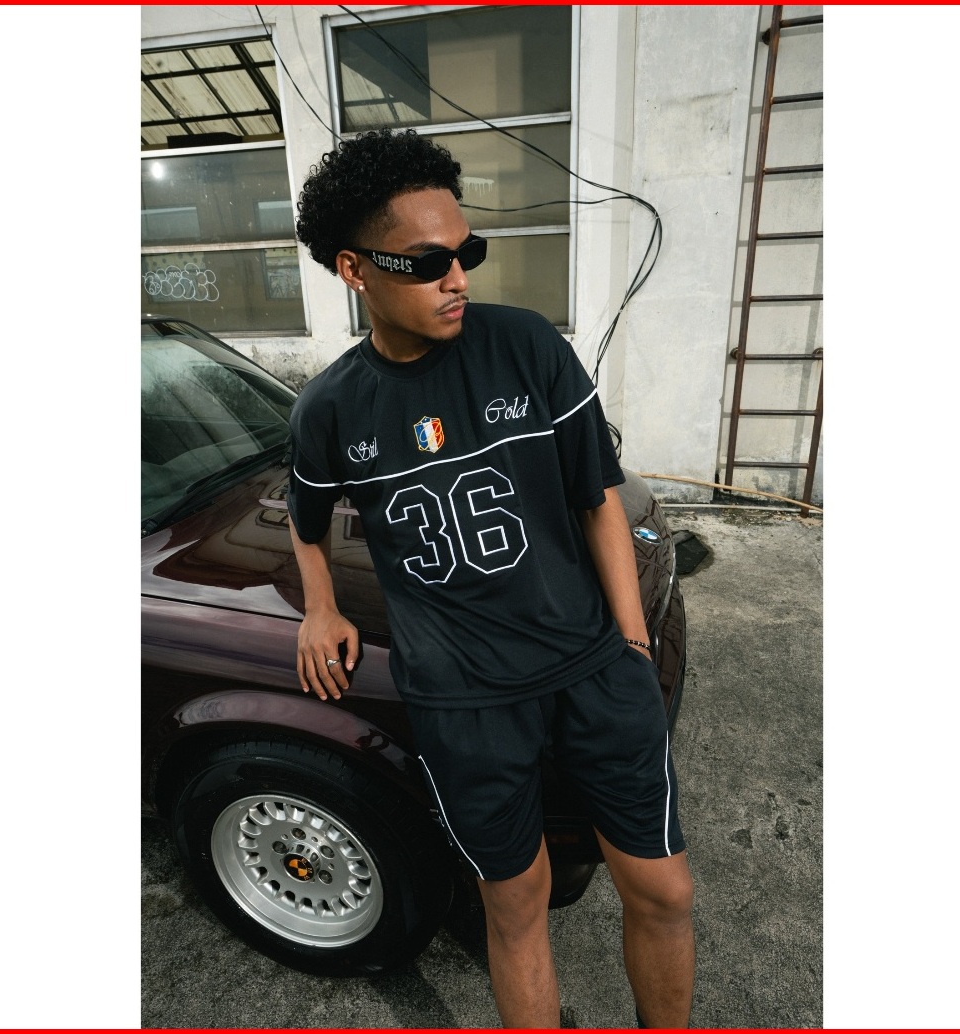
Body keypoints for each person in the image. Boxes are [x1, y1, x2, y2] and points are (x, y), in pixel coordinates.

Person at [287, 128, 694, 1029]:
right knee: (516, 906)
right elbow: (305, 523)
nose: (457, 278)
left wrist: (630, 643)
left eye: (465, 253)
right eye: (428, 262)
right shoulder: (330, 409)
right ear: (355, 270)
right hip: (464, 703)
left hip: (592, 668)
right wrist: (319, 609)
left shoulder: (527, 346)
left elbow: (598, 499)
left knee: (663, 888)